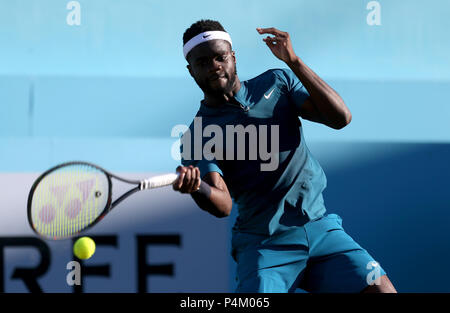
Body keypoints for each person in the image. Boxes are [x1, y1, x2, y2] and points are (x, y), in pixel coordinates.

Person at [173, 19, 396, 293]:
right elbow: (222, 205)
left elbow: (340, 118)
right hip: (264, 246)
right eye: (203, 62)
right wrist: (198, 188)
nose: (214, 66)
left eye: (221, 57)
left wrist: (294, 62)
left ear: (233, 57)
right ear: (190, 70)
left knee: (382, 290)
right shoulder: (197, 135)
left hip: (321, 229)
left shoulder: (278, 82)